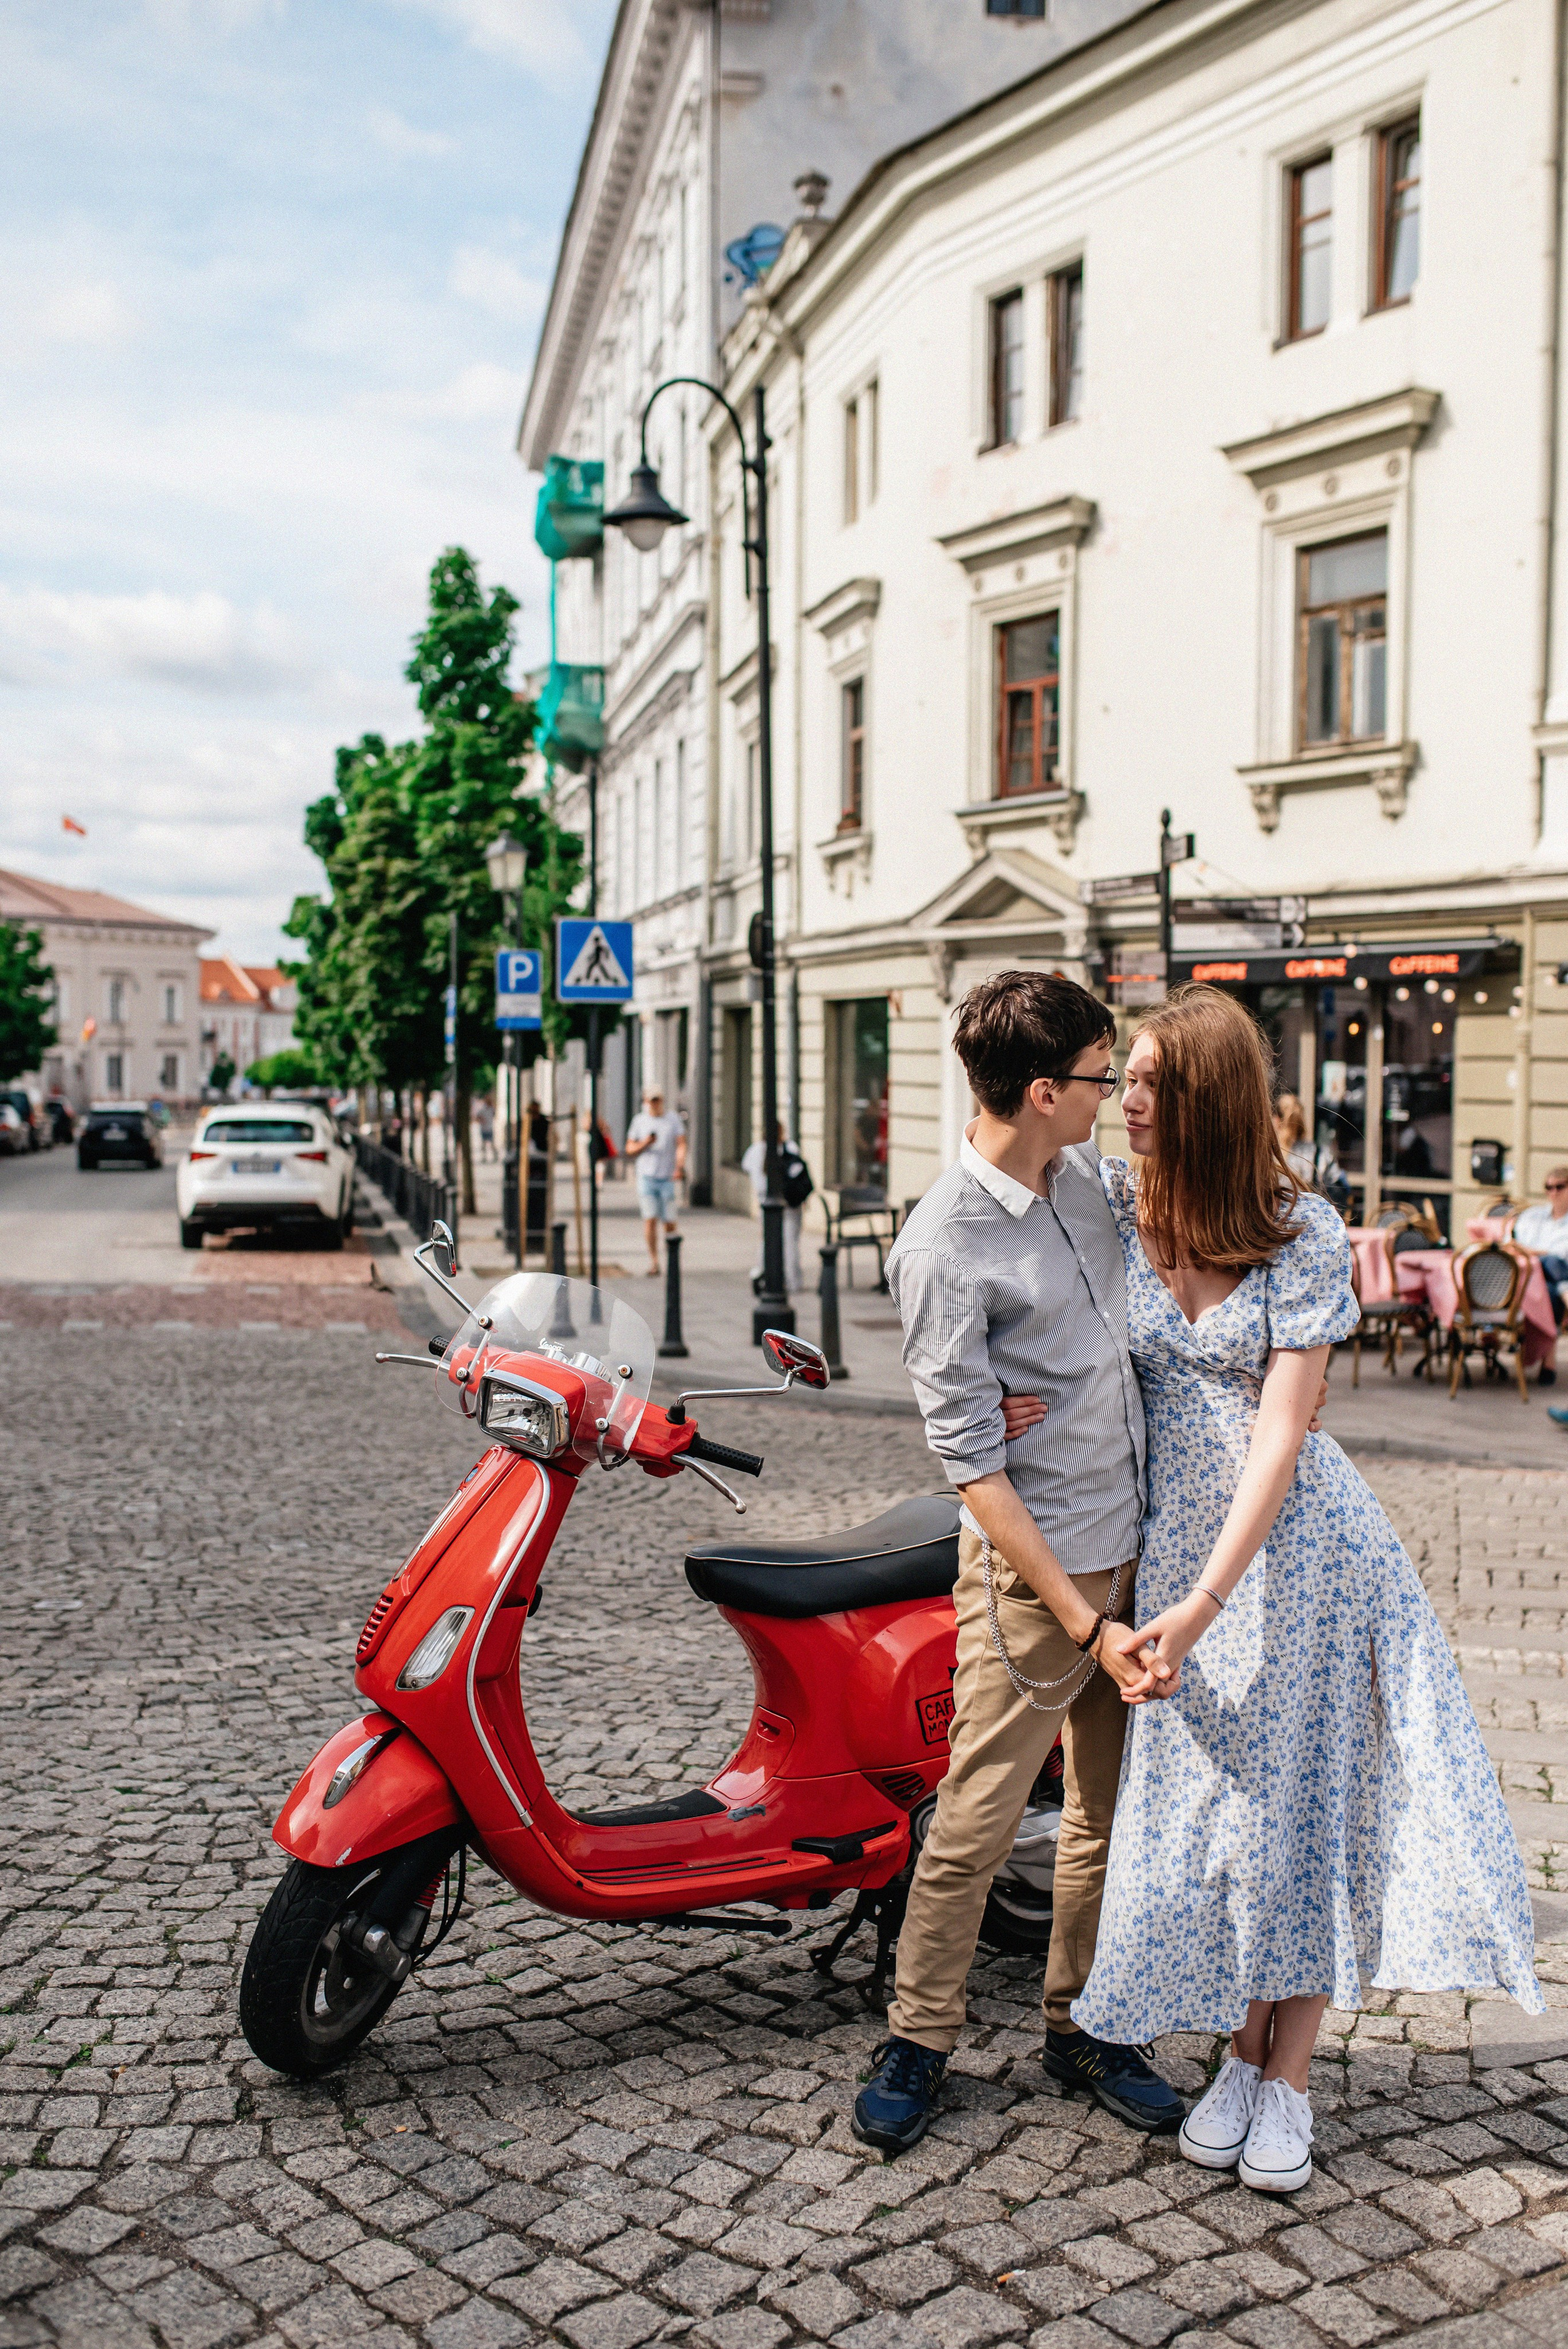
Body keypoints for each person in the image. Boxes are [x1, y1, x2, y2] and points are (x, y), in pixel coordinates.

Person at [1005, 987, 1541, 2196]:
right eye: (1119, 1079)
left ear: (1204, 1099)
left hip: (1294, 1551)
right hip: (1166, 1546)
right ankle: (1235, 2049)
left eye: (1143, 1083)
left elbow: (1281, 1440)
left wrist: (1196, 1603)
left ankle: (1277, 2070)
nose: (1121, 1101)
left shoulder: (1298, 1230)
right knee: (1220, 1812)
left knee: (1299, 1804)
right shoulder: (1105, 1204)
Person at [851, 971, 1186, 2155]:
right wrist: (1085, 1621)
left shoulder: (1087, 1182)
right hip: (1037, 1583)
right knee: (980, 1820)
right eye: (1100, 1077)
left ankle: (1081, 2024)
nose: (1108, 1093)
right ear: (1044, 1091)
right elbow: (975, 1474)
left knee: (1108, 1813)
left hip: (1135, 1552)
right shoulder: (945, 1243)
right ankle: (921, 2037)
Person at [1512, 1169, 1568, 1390]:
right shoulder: (1532, 1216)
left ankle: (1549, 1360)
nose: (1553, 1193)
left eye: (1560, 1187)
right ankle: (1549, 1361)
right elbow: (1512, 1243)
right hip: (1526, 1276)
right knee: (1551, 1269)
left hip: (1552, 1275)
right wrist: (1538, 1253)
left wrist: (1534, 1252)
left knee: (1549, 1284)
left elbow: (1563, 1254)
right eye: (1549, 1187)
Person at [624, 1088, 686, 1276]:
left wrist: (679, 1167)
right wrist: (645, 1143)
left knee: (669, 1221)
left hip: (667, 1177)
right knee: (650, 1219)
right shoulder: (639, 1121)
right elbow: (630, 1148)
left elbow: (681, 1144)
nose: (655, 1104)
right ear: (646, 1101)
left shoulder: (673, 1119)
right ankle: (654, 1261)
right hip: (646, 1176)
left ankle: (672, 1260)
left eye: (658, 1100)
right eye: (652, 1101)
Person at [741, 1123, 808, 1292]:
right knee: (790, 1242)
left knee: (767, 1241)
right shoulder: (789, 1147)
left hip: (765, 1203)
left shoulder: (755, 1150)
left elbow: (746, 1167)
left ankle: (763, 1275)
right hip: (789, 1204)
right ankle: (792, 1281)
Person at [477, 1098, 496, 1164]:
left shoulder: (491, 1109)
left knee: (492, 1144)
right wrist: (482, 1120)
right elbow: (478, 1116)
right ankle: (484, 1157)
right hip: (484, 1129)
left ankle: (494, 1157)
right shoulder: (483, 1109)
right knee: (484, 1145)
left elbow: (494, 1114)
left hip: (489, 1128)